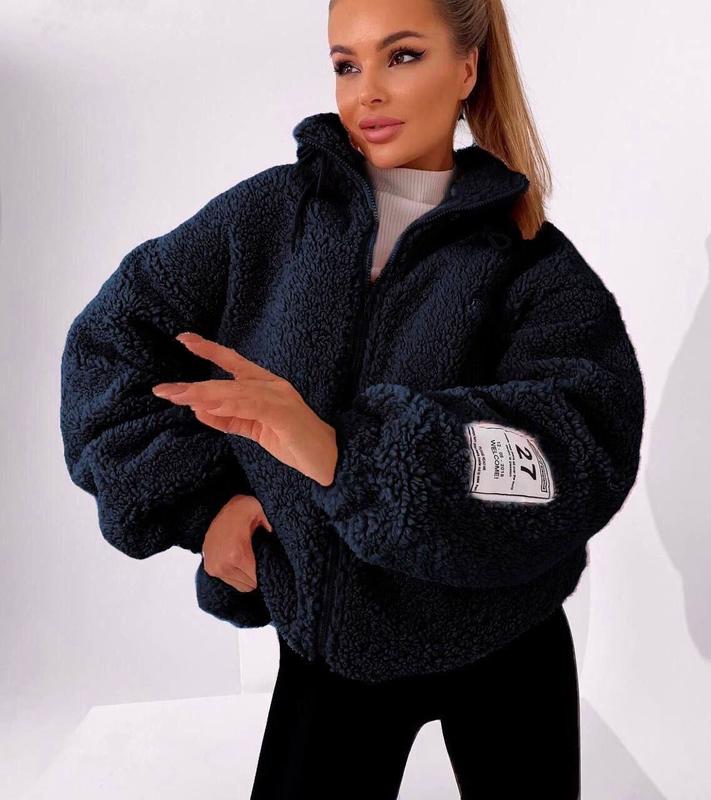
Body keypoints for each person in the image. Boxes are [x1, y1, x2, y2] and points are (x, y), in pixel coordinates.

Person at [59, 0, 645, 797]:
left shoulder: (532, 263)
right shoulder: (263, 220)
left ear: (465, 69)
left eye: (400, 56)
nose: (366, 90)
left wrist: (345, 453)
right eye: (345, 63)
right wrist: (205, 506)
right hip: (334, 644)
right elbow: (109, 348)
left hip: (507, 639)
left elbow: (575, 450)